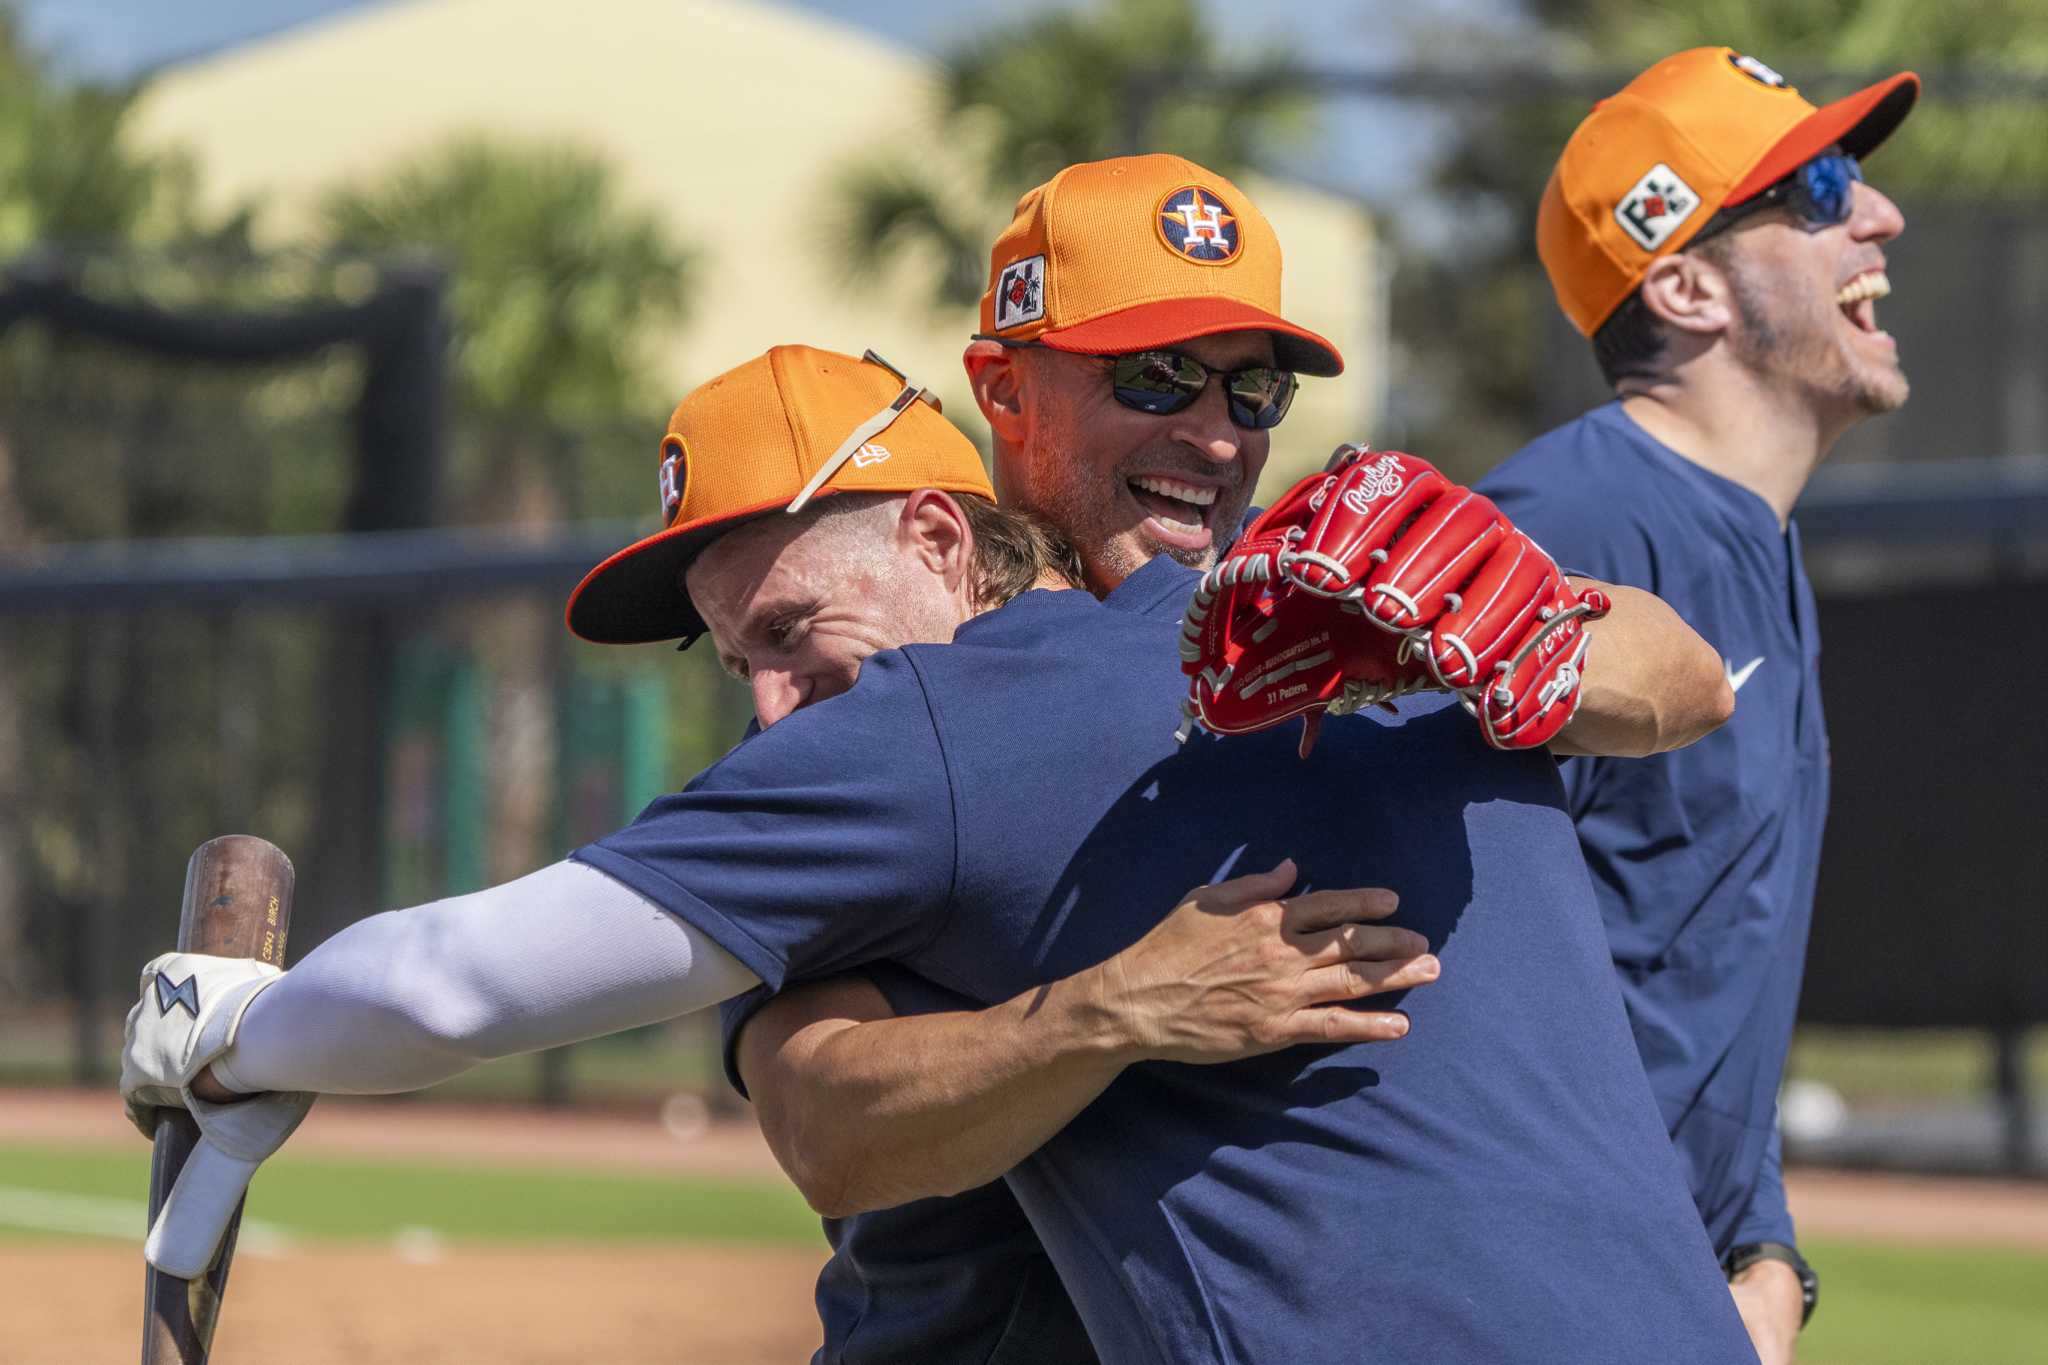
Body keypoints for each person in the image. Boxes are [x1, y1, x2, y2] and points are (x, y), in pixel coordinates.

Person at [118, 343, 1444, 1361]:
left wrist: (236, 1035)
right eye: (738, 655)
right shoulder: (887, 778)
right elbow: (814, 1119)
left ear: (936, 535)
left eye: (791, 627)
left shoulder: (988, 724)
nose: (766, 704)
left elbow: (449, 986)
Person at [641, 158, 1749, 1361]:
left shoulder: (1338, 600)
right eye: (1155, 376)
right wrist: (1110, 1012)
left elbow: (1685, 680)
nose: (1215, 433)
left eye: (1253, 389)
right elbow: (822, 1125)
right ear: (1001, 390)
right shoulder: (897, 728)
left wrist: (1458, 645)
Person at [1475, 48, 1920, 1364]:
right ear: (1682, 283)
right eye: (1821, 188)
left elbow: (1705, 976)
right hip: (1530, 1302)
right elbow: (1382, 974)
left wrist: (1765, 1257)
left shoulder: (1750, 537)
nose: (1879, 214)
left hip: (1672, 1289)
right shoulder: (1570, 525)